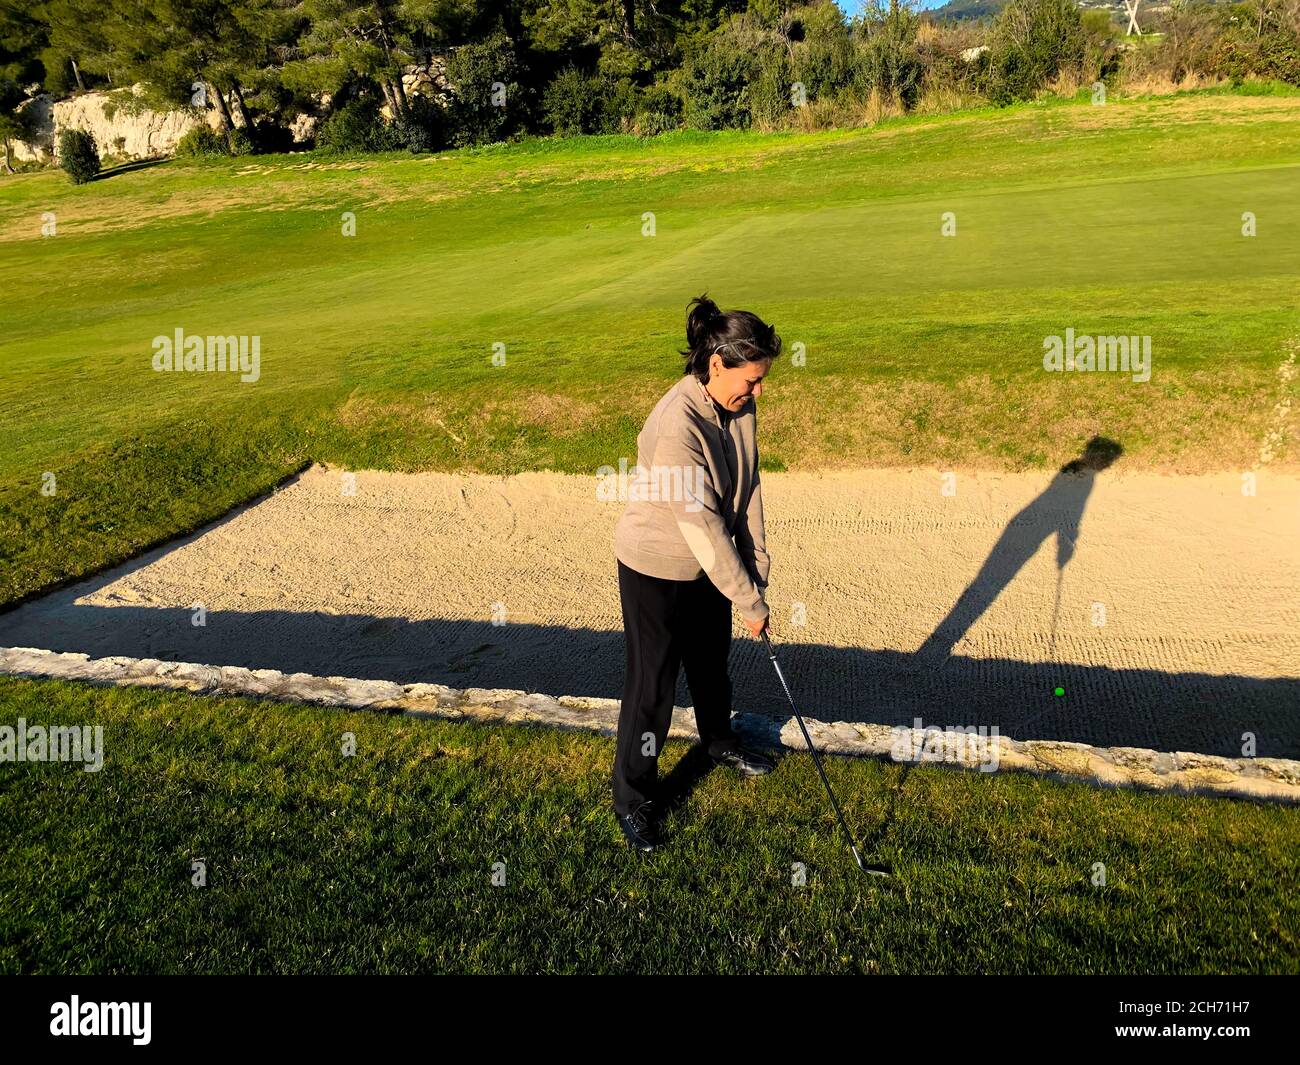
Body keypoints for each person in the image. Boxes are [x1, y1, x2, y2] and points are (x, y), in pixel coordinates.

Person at [611, 293, 781, 853]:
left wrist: (755, 572)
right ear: (717, 364)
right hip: (655, 566)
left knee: (711, 662)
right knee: (652, 687)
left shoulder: (738, 406)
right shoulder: (675, 427)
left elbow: (748, 489)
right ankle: (634, 800)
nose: (757, 392)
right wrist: (750, 603)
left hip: (709, 563)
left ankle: (719, 742)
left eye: (760, 382)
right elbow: (703, 524)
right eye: (751, 381)